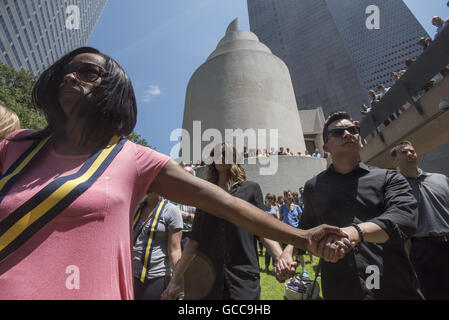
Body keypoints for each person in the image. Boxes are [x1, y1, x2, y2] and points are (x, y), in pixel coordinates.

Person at [0, 47, 346, 300]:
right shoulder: (14, 148)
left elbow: (227, 205)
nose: (71, 77)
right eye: (66, 71)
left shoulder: (132, 158)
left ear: (113, 88)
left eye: (88, 72)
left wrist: (302, 239)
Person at [276, 111, 423, 300]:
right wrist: (288, 251)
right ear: (325, 146)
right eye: (337, 133)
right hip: (341, 286)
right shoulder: (313, 186)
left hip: (392, 283)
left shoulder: (389, 178)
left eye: (352, 129)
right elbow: (306, 227)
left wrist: (353, 233)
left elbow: (404, 219)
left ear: (360, 138)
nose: (347, 134)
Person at [161, 144, 290, 300]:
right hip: (209, 280)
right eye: (215, 153)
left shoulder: (250, 189)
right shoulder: (205, 195)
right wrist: (175, 279)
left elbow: (262, 230)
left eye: (224, 153)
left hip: (243, 278)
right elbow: (193, 242)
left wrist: (279, 258)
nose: (219, 156)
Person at [391, 141, 449, 299]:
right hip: (421, 249)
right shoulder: (393, 188)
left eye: (412, 151)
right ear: (394, 159)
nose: (410, 154)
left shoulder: (441, 179)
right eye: (404, 152)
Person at [132, 193, 183, 300]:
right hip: (131, 275)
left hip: (155, 278)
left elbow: (175, 250)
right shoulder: (136, 207)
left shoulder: (171, 211)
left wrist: (176, 283)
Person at [279, 189, 307, 277]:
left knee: (300, 253)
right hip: (286, 233)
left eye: (290, 195)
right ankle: (289, 270)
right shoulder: (282, 207)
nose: (289, 196)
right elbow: (280, 219)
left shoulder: (297, 207)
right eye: (287, 195)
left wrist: (301, 230)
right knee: (288, 252)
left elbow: (301, 219)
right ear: (284, 197)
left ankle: (304, 271)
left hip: (296, 232)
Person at [172, 164, 196, 249]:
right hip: (174, 234)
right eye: (183, 174)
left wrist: (186, 216)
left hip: (192, 236)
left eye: (188, 174)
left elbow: (202, 218)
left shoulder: (199, 195)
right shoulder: (171, 194)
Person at [263, 193, 281, 273]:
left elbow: (278, 218)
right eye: (269, 198)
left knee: (274, 248)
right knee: (268, 249)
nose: (270, 200)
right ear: (265, 199)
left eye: (272, 199)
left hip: (274, 231)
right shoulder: (262, 208)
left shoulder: (275, 208)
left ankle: (274, 266)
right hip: (266, 231)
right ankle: (266, 266)